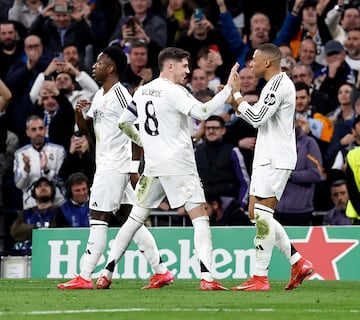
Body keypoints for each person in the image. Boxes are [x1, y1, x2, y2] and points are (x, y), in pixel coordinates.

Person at [97, 47, 239, 291]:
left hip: (153, 165)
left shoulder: (143, 91)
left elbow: (124, 123)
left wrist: (144, 141)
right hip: (179, 166)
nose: (188, 70)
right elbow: (203, 112)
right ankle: (207, 278)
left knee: (133, 221)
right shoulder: (175, 91)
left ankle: (106, 273)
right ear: (170, 66)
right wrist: (228, 90)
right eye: (185, 65)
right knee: (201, 220)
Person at [57, 46, 171, 290]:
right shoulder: (100, 95)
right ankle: (161, 271)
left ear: (111, 68)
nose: (94, 66)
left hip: (114, 168)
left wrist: (133, 168)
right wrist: (78, 113)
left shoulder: (122, 96)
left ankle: (85, 275)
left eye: (99, 62)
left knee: (98, 218)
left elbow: (136, 132)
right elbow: (86, 130)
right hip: (109, 166)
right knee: (130, 220)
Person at [229, 43, 313, 291]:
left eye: (254, 60)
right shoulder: (272, 85)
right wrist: (233, 95)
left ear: (267, 62)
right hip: (266, 157)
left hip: (276, 158)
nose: (250, 64)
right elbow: (251, 114)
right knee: (255, 213)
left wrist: (236, 96)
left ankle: (260, 277)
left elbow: (256, 118)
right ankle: (298, 262)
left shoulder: (278, 84)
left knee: (263, 216)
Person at [195, 115, 249, 212]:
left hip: (229, 207)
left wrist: (241, 205)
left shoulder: (232, 151)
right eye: (208, 128)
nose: (211, 131)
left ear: (223, 130)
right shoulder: (198, 152)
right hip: (204, 205)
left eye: (215, 128)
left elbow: (244, 182)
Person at [13, 115, 66, 210]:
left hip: (58, 204)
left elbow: (63, 181)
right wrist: (26, 169)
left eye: (41, 128)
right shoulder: (21, 154)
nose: (38, 132)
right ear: (27, 132)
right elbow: (19, 185)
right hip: (31, 205)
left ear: (45, 130)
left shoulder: (58, 150)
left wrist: (46, 170)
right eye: (33, 129)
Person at [10, 176, 62, 254]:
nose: (43, 188)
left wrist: (29, 230)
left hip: (49, 252)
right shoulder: (25, 213)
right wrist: (37, 227)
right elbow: (15, 233)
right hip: (25, 253)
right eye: (39, 186)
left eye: (46, 185)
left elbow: (54, 234)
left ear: (53, 190)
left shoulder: (59, 212)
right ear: (34, 192)